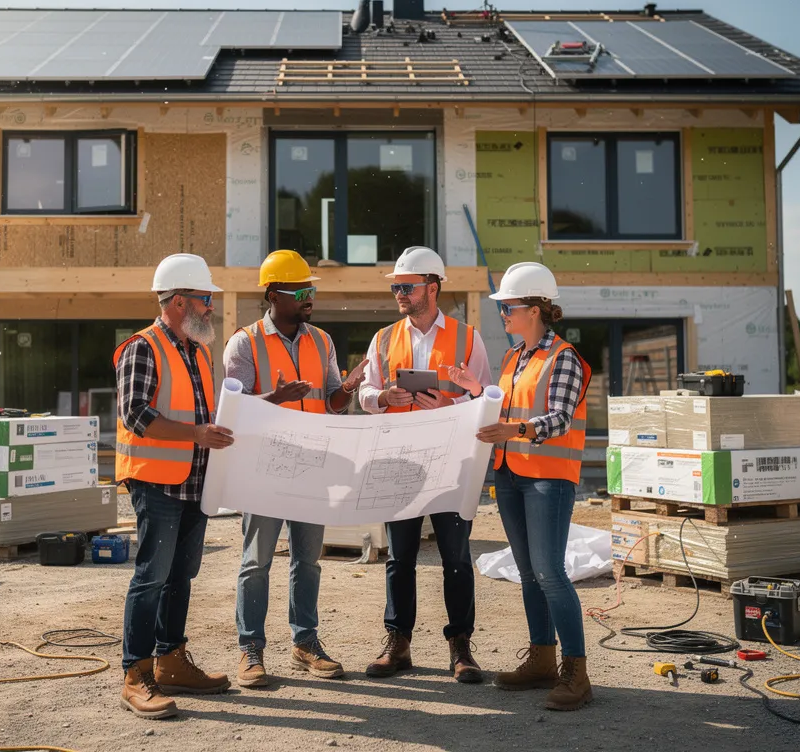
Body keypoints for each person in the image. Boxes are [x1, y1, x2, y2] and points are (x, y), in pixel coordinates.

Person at [447, 261, 594, 712]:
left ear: (533, 309)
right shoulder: (513, 358)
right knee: (529, 572)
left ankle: (577, 671)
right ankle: (542, 660)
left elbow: (558, 419)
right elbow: (503, 413)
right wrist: (476, 391)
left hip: (549, 480)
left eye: (507, 308)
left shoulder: (563, 357)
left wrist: (513, 431)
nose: (503, 315)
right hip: (510, 477)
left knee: (550, 571)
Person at [225, 250, 367, 688]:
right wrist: (276, 399)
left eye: (312, 289)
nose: (310, 296)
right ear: (273, 294)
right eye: (300, 290)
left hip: (312, 468)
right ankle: (252, 649)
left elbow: (330, 403)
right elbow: (233, 411)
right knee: (256, 562)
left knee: (308, 561)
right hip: (264, 468)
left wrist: (347, 387)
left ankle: (306, 641)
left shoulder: (321, 341)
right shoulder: (244, 343)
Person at [356, 246, 493, 684]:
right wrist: (383, 399)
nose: (399, 293)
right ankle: (398, 643)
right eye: (396, 286)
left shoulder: (468, 338)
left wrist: (450, 400)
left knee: (456, 558)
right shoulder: (383, 338)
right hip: (400, 462)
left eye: (407, 286)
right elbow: (365, 392)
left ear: (432, 288)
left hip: (451, 464)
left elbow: (485, 398)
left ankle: (461, 647)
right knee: (400, 557)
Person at [114, 253, 234, 719]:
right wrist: (197, 435)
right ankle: (135, 672)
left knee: (181, 575)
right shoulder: (142, 347)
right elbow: (136, 415)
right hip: (157, 483)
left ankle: (170, 659)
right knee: (151, 577)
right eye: (205, 299)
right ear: (180, 301)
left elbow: (206, 416)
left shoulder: (198, 352)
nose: (210, 308)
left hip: (194, 482)